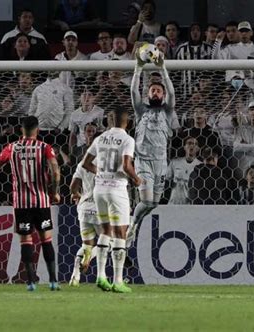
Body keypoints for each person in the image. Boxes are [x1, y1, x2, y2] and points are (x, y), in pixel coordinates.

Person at [0, 116, 61, 291]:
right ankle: (53, 281)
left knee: (26, 241)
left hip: (21, 203)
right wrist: (55, 191)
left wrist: (7, 167)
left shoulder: (11, 147)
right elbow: (55, 170)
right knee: (46, 240)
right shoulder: (45, 147)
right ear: (37, 130)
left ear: (21, 130)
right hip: (42, 200)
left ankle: (30, 283)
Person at [82, 107, 141, 293]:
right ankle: (117, 280)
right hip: (117, 190)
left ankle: (100, 276)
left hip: (99, 190)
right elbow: (126, 165)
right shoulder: (127, 139)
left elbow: (85, 163)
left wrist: (99, 172)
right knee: (120, 234)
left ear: (109, 121)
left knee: (105, 231)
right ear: (127, 122)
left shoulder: (100, 138)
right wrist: (137, 179)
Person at [128, 48, 174, 243]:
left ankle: (135, 223)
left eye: (158, 90)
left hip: (161, 162)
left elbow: (172, 91)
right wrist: (138, 68)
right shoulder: (141, 111)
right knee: (146, 200)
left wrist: (163, 69)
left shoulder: (168, 111)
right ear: (148, 94)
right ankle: (132, 225)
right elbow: (132, 91)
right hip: (143, 161)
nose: (155, 92)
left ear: (162, 95)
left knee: (154, 203)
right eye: (152, 90)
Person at [69, 133, 100, 286]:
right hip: (101, 209)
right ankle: (90, 257)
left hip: (84, 208)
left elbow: (73, 187)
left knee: (86, 244)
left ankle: (75, 275)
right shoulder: (108, 163)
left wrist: (77, 195)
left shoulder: (82, 163)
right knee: (108, 243)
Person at [165, 136, 201, 204]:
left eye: (195, 144)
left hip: (190, 204)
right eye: (189, 143)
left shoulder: (200, 165)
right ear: (184, 147)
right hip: (174, 201)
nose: (192, 146)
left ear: (198, 149)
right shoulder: (175, 162)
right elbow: (166, 179)